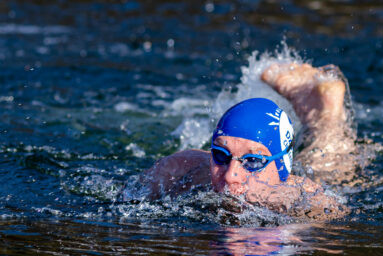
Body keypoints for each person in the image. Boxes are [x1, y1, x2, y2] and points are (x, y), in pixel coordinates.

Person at [121, 62, 356, 220]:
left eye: (253, 161)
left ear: (281, 166)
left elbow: (335, 229)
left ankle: (325, 111)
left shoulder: (302, 199)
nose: (230, 175)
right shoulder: (182, 170)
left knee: (332, 169)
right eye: (221, 156)